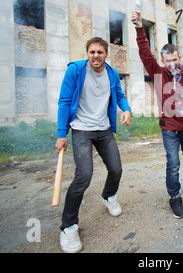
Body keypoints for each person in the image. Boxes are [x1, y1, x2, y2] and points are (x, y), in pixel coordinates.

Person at [55, 37, 132, 253]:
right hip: (82, 129)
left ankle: (109, 195)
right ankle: (68, 227)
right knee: (83, 176)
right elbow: (64, 100)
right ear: (87, 53)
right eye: (92, 52)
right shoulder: (76, 71)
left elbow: (118, 95)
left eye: (99, 52)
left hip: (104, 128)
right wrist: (62, 134)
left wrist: (126, 109)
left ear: (106, 54)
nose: (95, 56)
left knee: (116, 169)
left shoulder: (112, 73)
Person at [131, 11, 183, 219]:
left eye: (174, 59)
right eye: (168, 60)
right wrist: (139, 28)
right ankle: (174, 197)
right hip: (168, 127)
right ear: (163, 60)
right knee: (172, 161)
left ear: (179, 57)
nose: (172, 64)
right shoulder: (158, 73)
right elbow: (144, 53)